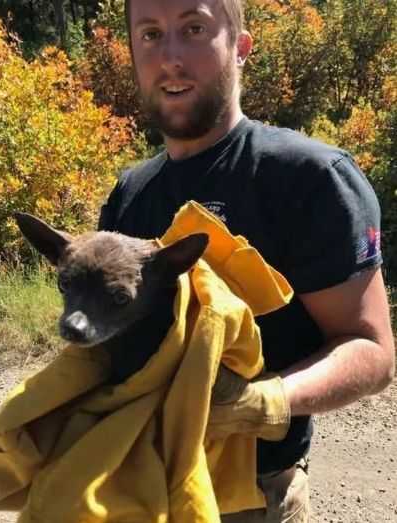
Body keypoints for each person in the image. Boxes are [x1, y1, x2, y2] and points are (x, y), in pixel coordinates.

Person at [98, 0, 395, 521]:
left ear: (241, 46)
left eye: (194, 29)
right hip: (137, 484)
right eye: (149, 34)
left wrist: (264, 401)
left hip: (249, 499)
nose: (169, 56)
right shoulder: (130, 194)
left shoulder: (308, 176)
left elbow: (372, 352)